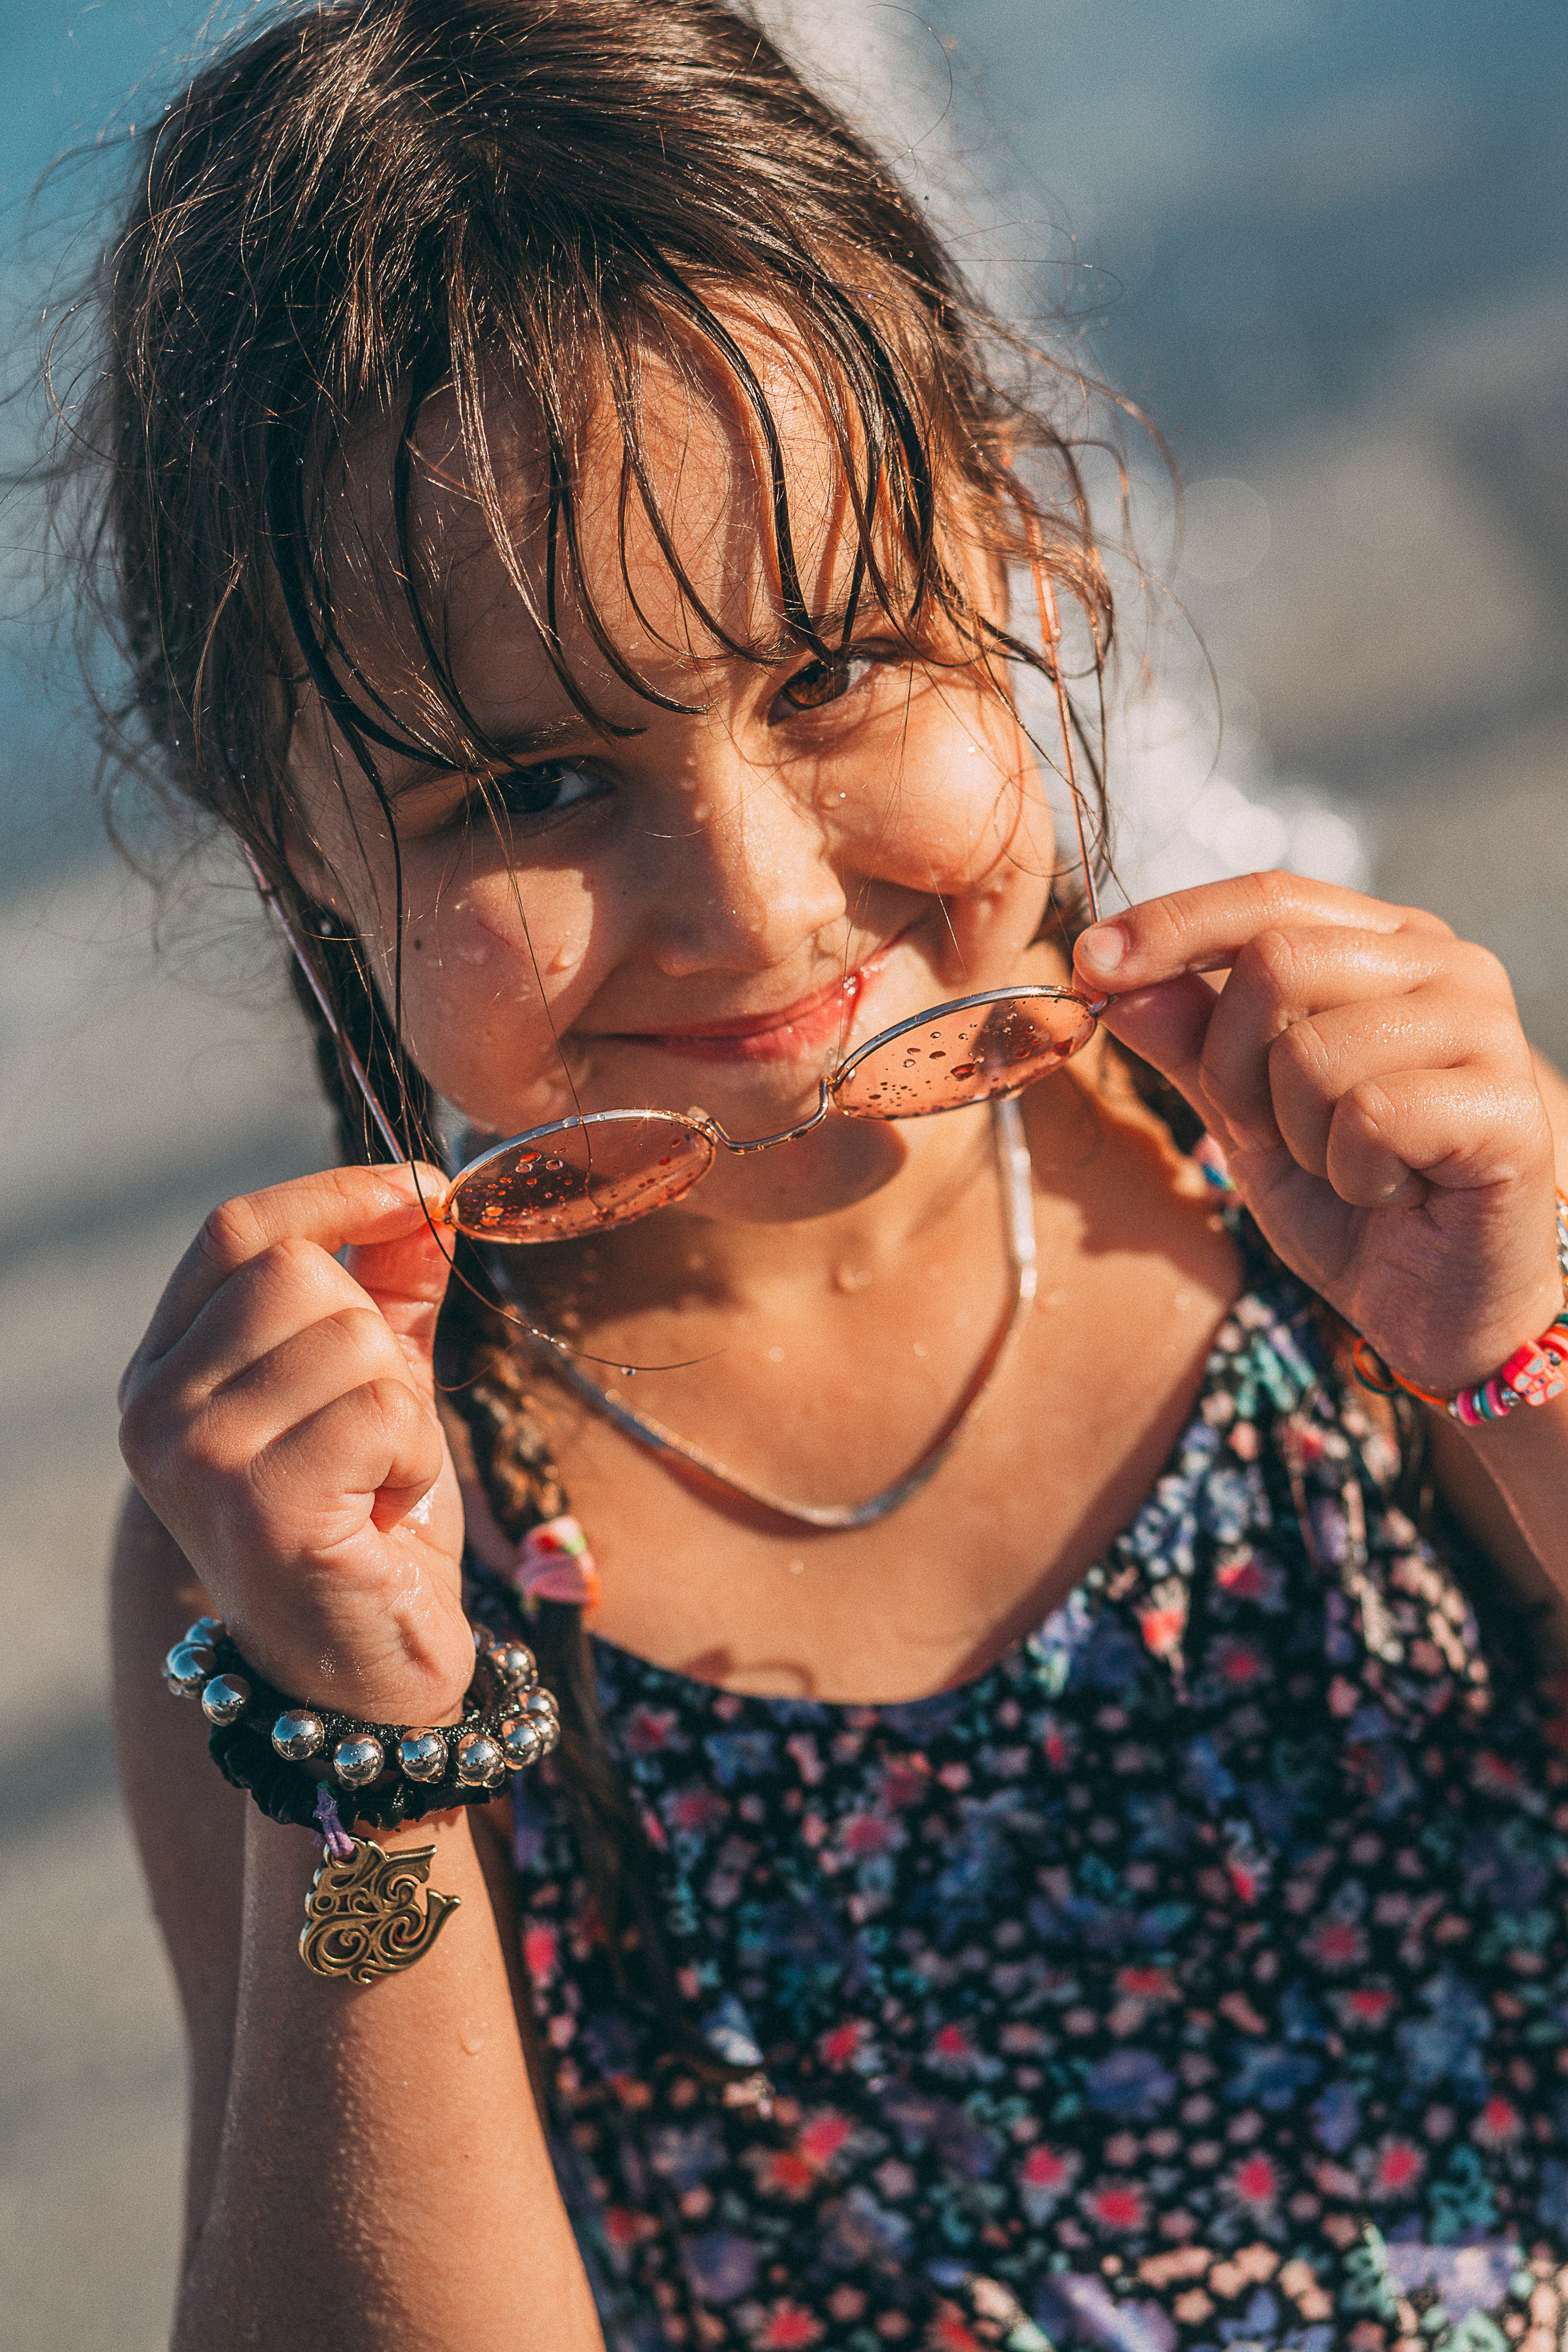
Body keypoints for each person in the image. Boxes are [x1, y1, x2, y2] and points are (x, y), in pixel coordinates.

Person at [97, 4, 1568, 2346]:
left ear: (1024, 565)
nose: (764, 913)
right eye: (531, 789)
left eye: (836, 672)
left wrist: (1517, 1364)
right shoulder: (326, 1538)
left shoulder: (1343, 1206)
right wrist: (361, 1754)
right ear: (290, 846)